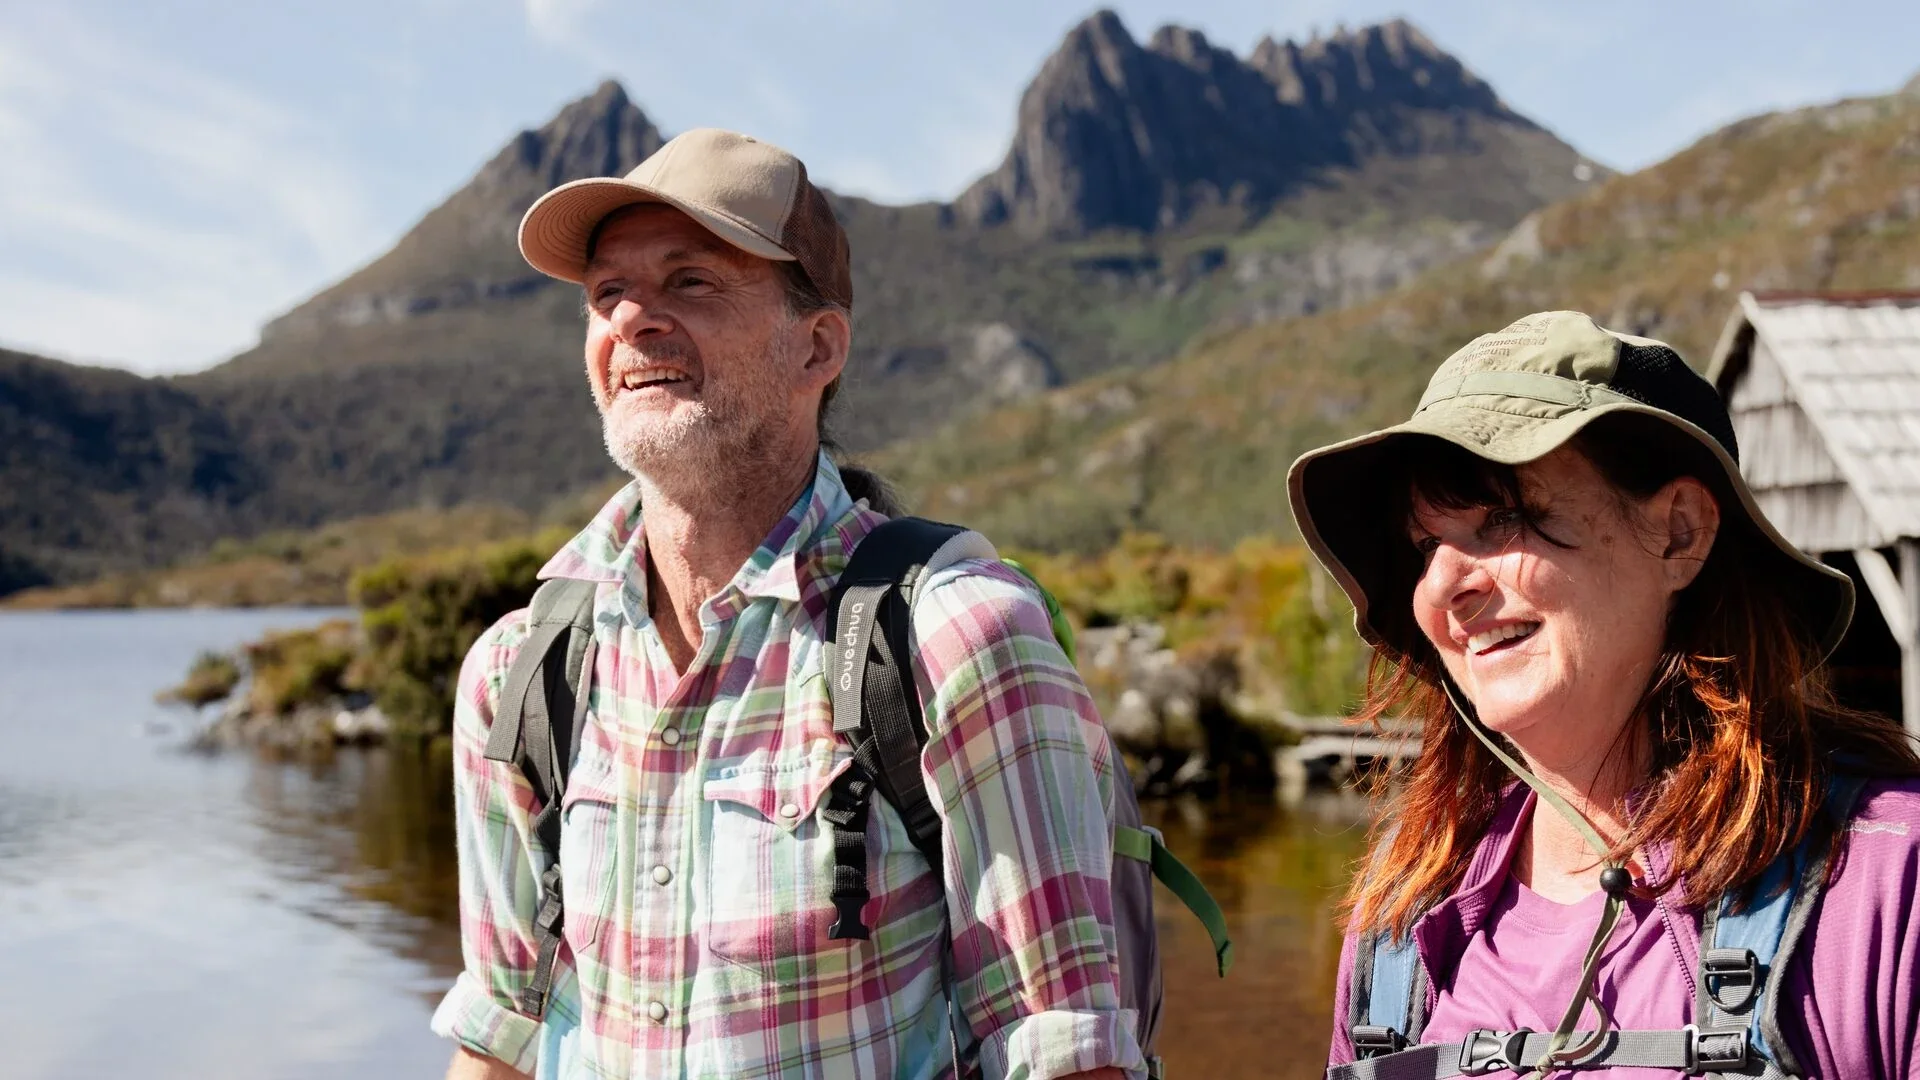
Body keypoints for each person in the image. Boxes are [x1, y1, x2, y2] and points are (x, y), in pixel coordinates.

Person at [431, 129, 1140, 1079]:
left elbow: (1065, 1052)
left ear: (818, 346)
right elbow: (502, 1037)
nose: (632, 319)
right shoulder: (517, 672)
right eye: (607, 292)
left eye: (691, 281)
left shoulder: (960, 641)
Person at [1288, 311, 1920, 1079]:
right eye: (1425, 546)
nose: (1444, 585)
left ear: (1679, 533)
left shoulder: (1888, 881)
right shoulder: (1400, 921)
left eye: (1504, 517)